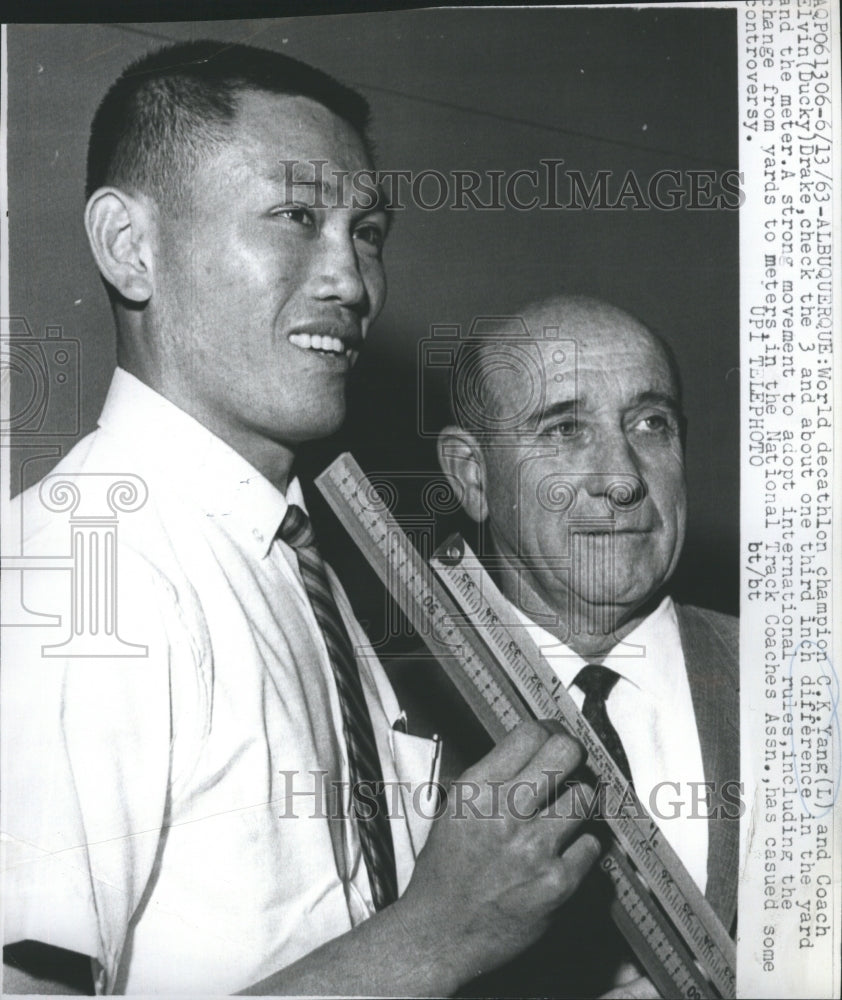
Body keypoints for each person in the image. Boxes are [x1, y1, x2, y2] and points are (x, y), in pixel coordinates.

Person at [1, 42, 601, 995]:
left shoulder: (297, 556)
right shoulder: (84, 576)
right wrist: (439, 934)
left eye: (366, 231)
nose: (353, 282)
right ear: (128, 246)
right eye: (293, 217)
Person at [418, 295, 739, 996]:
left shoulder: (805, 685)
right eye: (564, 430)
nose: (623, 478)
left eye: (651, 424)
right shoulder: (388, 705)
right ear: (472, 476)